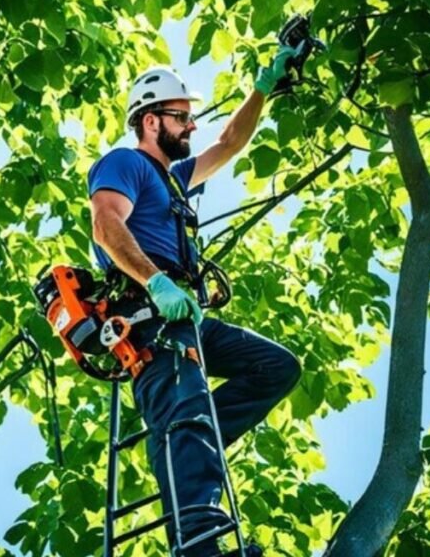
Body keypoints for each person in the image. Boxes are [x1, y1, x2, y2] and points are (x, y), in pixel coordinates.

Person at [87, 49, 305, 557]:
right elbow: (106, 224)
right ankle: (202, 546)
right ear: (150, 120)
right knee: (185, 417)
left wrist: (264, 87)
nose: (192, 126)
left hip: (185, 315)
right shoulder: (126, 163)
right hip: (149, 316)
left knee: (274, 368)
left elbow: (230, 142)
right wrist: (156, 281)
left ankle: (182, 444)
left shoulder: (175, 181)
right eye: (181, 117)